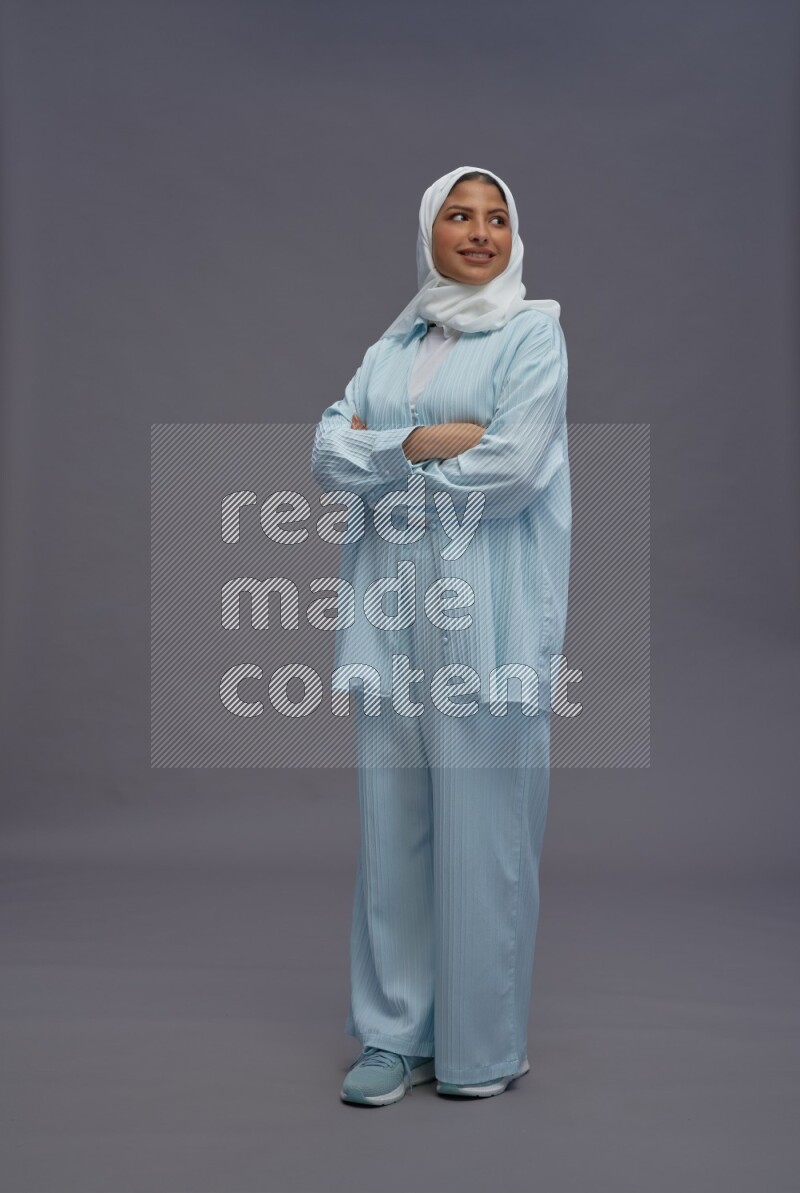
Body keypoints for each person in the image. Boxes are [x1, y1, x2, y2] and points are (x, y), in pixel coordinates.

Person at [310, 165, 571, 1105]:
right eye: (459, 215)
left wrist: (383, 457)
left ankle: (480, 1047)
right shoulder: (393, 347)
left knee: (485, 835)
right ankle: (393, 1035)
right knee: (394, 837)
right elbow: (326, 452)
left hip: (489, 623)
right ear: (428, 233)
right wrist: (425, 441)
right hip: (390, 617)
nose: (479, 231)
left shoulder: (532, 332)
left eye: (496, 217)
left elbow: (514, 467)